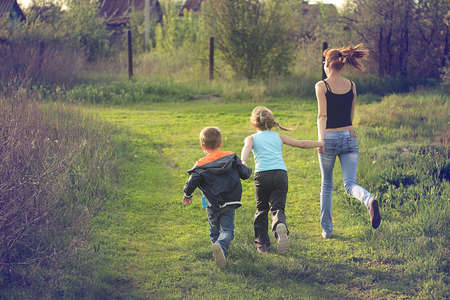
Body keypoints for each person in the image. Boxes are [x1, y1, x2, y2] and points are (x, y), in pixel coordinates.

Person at [315, 43, 381, 239]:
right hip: (350, 137)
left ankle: (327, 230)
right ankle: (368, 200)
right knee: (350, 184)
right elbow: (350, 116)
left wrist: (321, 141)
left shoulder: (322, 85)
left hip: (329, 137)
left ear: (327, 63)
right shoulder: (352, 85)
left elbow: (322, 116)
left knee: (327, 184)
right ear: (341, 65)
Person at [241, 106, 323, 254]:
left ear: (254, 124)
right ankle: (279, 226)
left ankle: (262, 245)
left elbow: (246, 148)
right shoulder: (278, 137)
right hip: (280, 174)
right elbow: (301, 144)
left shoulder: (251, 138)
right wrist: (320, 143)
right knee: (278, 207)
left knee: (261, 209)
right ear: (271, 122)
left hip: (262, 176)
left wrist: (243, 161)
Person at [183, 126, 252, 268]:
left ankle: (218, 249)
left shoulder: (200, 165)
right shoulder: (231, 157)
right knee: (227, 230)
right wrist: (245, 166)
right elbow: (245, 174)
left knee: (214, 229)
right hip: (230, 201)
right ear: (220, 144)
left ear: (203, 146)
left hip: (212, 203)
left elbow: (192, 182)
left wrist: (187, 195)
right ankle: (221, 248)